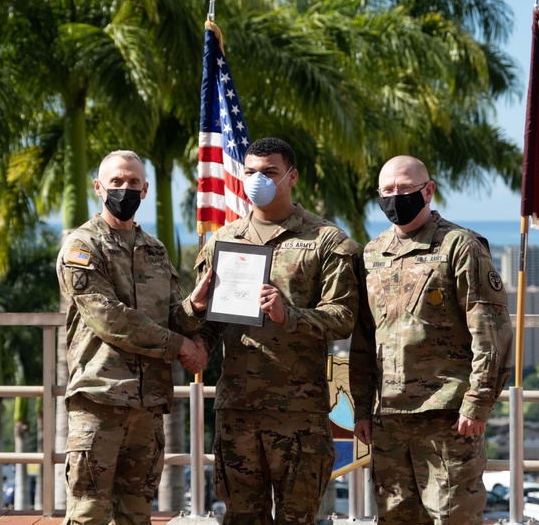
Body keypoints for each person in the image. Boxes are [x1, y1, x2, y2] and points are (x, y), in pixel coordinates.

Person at [190, 137, 367, 525]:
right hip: (237, 411)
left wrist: (292, 316)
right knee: (241, 518)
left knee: (297, 519)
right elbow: (208, 327)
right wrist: (196, 323)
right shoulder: (222, 241)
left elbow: (343, 317)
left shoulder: (326, 241)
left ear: (291, 177)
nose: (259, 180)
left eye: (269, 172)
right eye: (251, 172)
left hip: (299, 414)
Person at [349, 155, 513, 525]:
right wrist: (361, 408)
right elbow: (363, 340)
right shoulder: (372, 255)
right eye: (387, 191)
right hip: (388, 418)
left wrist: (478, 402)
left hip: (447, 416)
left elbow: (491, 331)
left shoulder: (460, 247)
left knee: (454, 517)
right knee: (395, 518)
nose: (395, 197)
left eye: (405, 189)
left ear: (428, 191)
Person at [56, 150, 210, 525]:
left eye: (133, 183)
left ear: (145, 190)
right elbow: (112, 320)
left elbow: (172, 316)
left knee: (137, 514)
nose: (125, 189)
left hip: (148, 404)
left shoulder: (155, 250)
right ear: (98, 187)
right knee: (88, 514)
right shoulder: (82, 247)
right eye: (116, 182)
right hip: (101, 400)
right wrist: (180, 347)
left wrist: (197, 306)